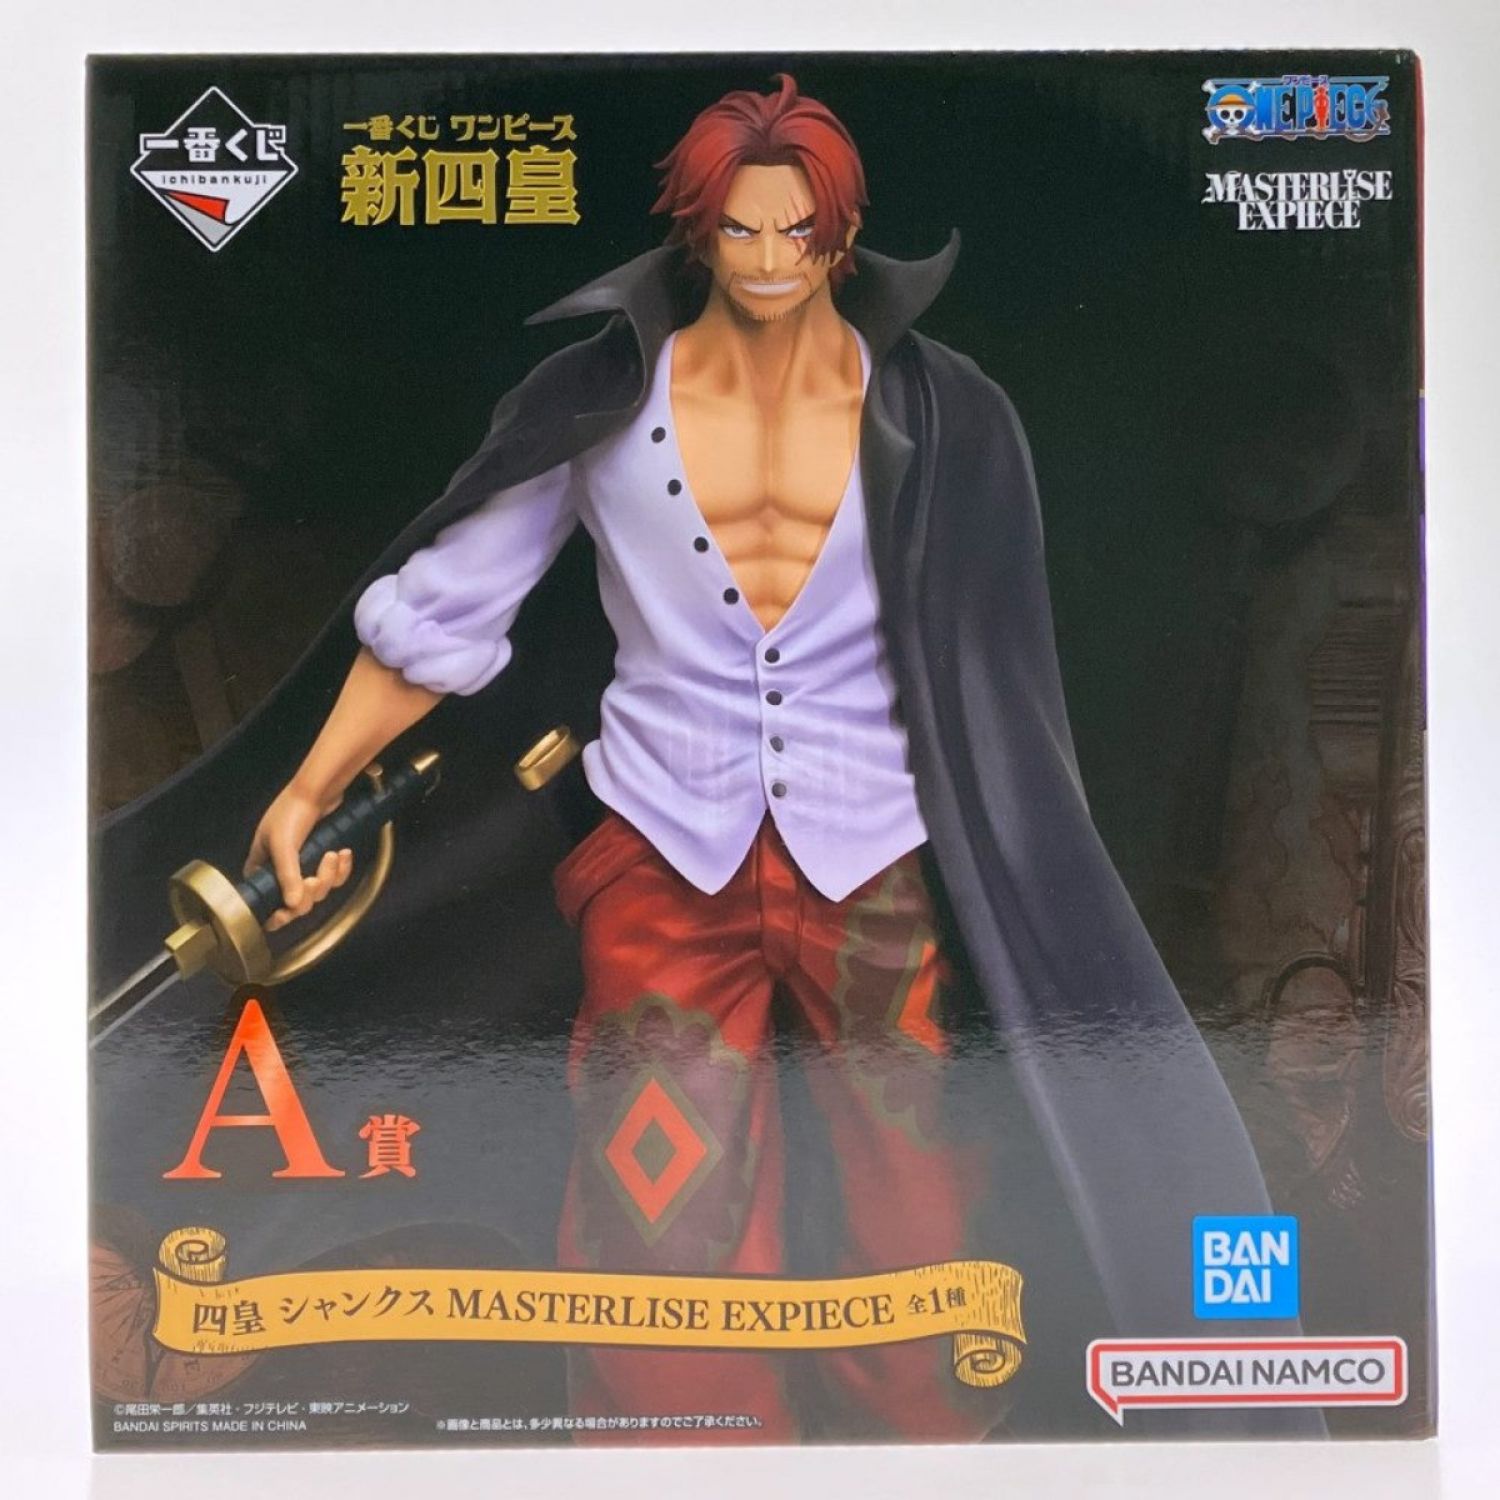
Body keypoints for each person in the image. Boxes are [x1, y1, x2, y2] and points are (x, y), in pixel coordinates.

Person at [240, 74, 1316, 1441]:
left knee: (917, 1205)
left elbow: (1001, 669)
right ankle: (685, 1461)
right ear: (694, 232)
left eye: (792, 230)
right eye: (736, 229)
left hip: (875, 855)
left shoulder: (937, 409)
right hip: (663, 849)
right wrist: (309, 787)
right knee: (658, 1210)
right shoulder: (600, 401)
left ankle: (926, 1463)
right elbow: (448, 610)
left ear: (840, 234)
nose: (763, 259)